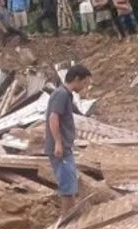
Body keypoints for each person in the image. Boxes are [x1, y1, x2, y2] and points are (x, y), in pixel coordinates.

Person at [45, 64, 92, 219]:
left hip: (65, 147)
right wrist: (58, 142)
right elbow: (53, 117)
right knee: (67, 186)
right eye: (85, 83)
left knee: (70, 184)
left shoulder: (66, 94)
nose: (85, 87)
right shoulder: (61, 95)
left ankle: (70, 218)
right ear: (77, 79)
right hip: (61, 148)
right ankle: (65, 221)